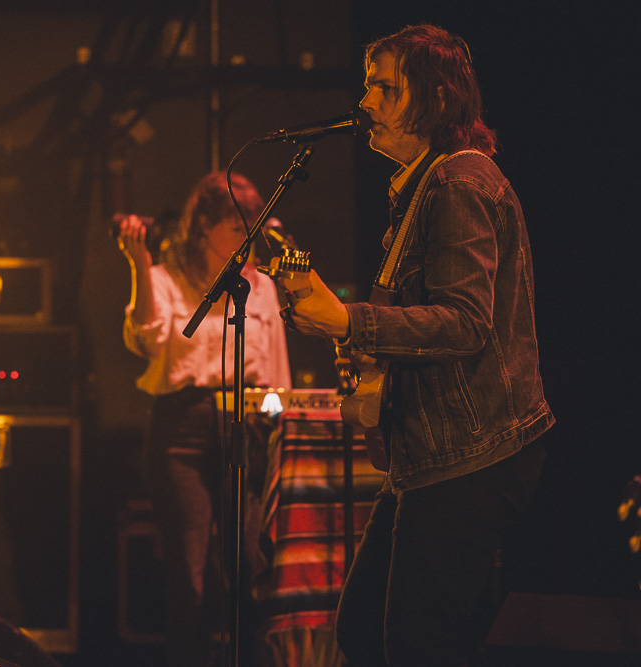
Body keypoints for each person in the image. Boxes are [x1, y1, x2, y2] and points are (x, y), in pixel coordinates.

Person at [275, 24, 555, 666]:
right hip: (432, 453)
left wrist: (350, 322)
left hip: (472, 453)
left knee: (414, 644)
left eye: (385, 88)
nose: (365, 101)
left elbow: (464, 323)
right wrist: (351, 333)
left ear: (435, 97)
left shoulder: (458, 183)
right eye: (368, 85)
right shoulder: (425, 185)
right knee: (364, 631)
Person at [118, 171, 292, 667]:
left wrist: (280, 424)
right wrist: (138, 265)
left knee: (249, 569)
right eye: (237, 226)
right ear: (204, 228)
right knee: (189, 581)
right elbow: (146, 338)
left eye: (252, 226)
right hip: (184, 428)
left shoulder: (261, 287)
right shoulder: (165, 279)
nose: (247, 237)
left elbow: (277, 369)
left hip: (248, 423)